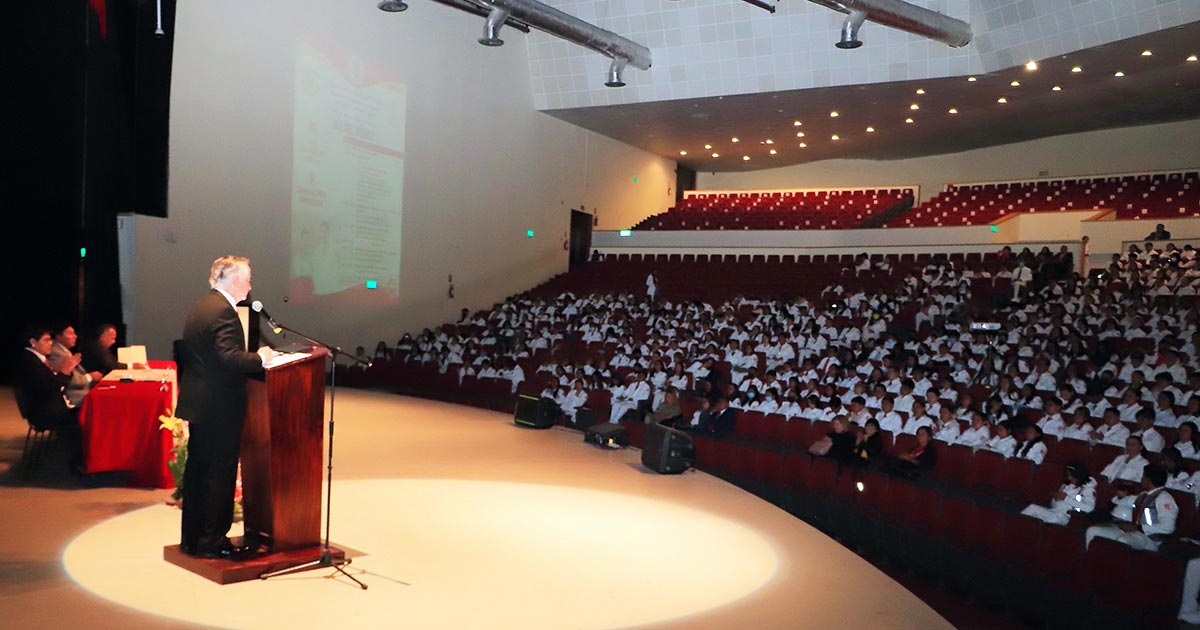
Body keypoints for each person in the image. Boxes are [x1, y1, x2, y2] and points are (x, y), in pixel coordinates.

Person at [177, 255, 273, 560]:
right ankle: (211, 541)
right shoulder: (223, 312)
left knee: (198, 473)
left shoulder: (201, 307)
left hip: (200, 404)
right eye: (247, 279)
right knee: (219, 474)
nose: (250, 285)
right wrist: (261, 358)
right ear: (233, 280)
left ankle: (192, 539)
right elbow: (228, 357)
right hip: (219, 408)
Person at [13, 324, 85, 472]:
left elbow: (52, 384)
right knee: (86, 418)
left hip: (51, 408)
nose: (50, 343)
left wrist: (66, 371)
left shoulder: (36, 359)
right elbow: (47, 389)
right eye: (46, 340)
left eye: (50, 340)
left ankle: (81, 460)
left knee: (86, 412)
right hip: (46, 413)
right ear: (33, 342)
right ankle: (79, 464)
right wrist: (65, 371)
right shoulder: (30, 362)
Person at [1085, 464, 1177, 551]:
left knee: (1123, 540)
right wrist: (1121, 496)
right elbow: (1120, 500)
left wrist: (1139, 528)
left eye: (1143, 476)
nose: (1141, 479)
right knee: (1093, 531)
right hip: (1134, 532)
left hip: (1150, 538)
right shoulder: (1144, 495)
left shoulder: (1164, 499)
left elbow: (1168, 527)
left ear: (1148, 479)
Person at [46, 324, 103, 407]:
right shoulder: (56, 352)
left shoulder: (64, 351)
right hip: (74, 396)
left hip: (83, 390)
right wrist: (90, 377)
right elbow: (70, 381)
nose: (75, 336)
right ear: (59, 336)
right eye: (70, 333)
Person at [1021, 464, 1096, 525]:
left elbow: (1089, 508)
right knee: (1031, 518)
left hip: (1066, 517)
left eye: (1072, 475)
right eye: (1068, 475)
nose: (1069, 477)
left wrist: (1065, 498)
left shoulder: (1088, 489)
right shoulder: (1066, 485)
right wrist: (1055, 499)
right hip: (1054, 512)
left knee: (1032, 508)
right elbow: (1054, 505)